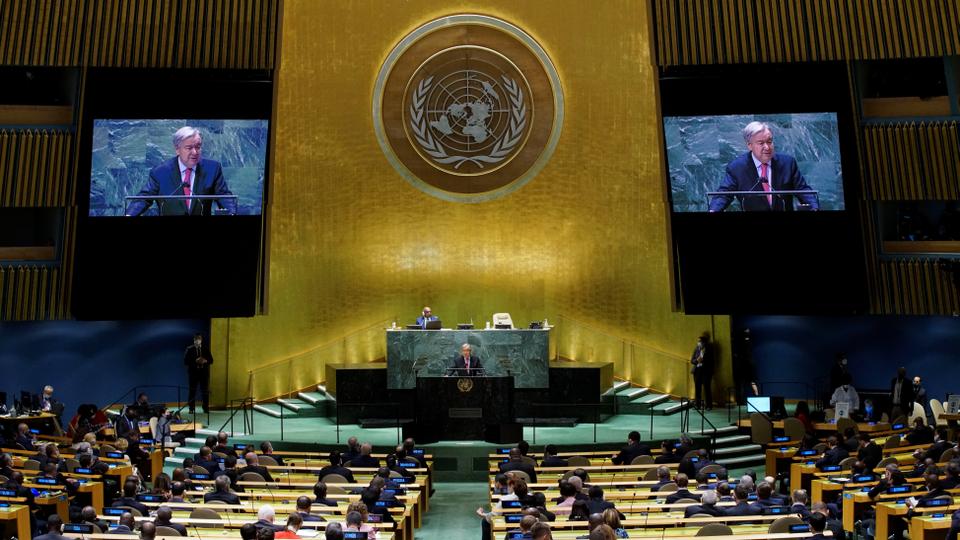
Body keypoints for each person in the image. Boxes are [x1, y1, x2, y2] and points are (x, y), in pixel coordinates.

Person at [708, 121, 819, 212]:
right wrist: (713, 210)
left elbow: (803, 190)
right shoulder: (737, 167)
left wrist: (814, 207)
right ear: (749, 145)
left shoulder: (787, 163)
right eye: (761, 143)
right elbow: (723, 195)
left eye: (769, 142)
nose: (767, 147)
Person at [125, 126, 236, 216]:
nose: (195, 152)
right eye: (189, 148)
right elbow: (144, 198)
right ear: (177, 149)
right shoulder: (160, 172)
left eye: (198, 147)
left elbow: (224, 196)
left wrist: (231, 212)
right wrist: (130, 215)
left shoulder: (212, 168)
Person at [184, 333, 213, 414]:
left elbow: (211, 360)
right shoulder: (189, 349)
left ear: (201, 340)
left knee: (205, 391)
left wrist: (205, 361)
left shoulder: (205, 349)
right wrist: (195, 361)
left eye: (199, 339)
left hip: (203, 373)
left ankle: (206, 408)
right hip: (193, 373)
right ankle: (191, 408)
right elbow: (185, 361)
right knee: (192, 391)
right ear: (194, 340)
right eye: (196, 339)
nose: (197, 340)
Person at [690, 334, 712, 410]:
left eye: (700, 341)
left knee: (707, 388)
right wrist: (697, 360)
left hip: (706, 371)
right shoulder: (696, 349)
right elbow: (692, 360)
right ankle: (698, 405)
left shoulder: (709, 349)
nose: (699, 342)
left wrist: (703, 360)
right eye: (698, 341)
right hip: (697, 371)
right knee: (697, 388)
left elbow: (712, 361)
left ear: (704, 342)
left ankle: (708, 405)